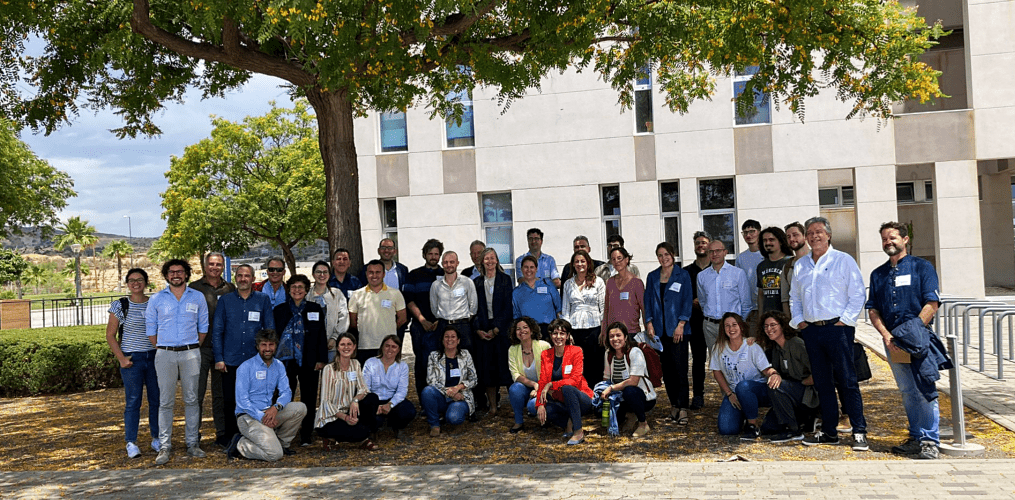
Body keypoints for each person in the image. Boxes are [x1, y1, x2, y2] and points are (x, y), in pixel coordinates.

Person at [867, 221, 948, 459]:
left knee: (924, 388)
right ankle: (916, 436)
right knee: (907, 390)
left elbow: (931, 303)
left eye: (892, 237)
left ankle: (930, 440)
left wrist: (912, 330)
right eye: (884, 239)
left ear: (905, 239)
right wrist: (887, 335)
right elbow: (873, 309)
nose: (888, 242)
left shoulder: (922, 267)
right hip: (892, 341)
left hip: (918, 339)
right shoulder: (878, 274)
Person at [790, 216, 868, 451]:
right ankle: (829, 432)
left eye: (818, 232)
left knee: (847, 381)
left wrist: (845, 321)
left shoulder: (843, 260)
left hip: (838, 330)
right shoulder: (801, 265)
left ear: (828, 235)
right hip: (812, 331)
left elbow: (857, 294)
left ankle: (859, 431)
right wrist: (800, 322)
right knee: (822, 383)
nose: (814, 236)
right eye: (810, 233)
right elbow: (795, 297)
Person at [145, 259, 209, 465]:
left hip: (191, 353)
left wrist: (189, 346)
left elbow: (203, 327)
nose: (176, 275)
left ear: (187, 274)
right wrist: (165, 347)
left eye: (180, 271)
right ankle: (165, 446)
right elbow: (151, 330)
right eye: (171, 272)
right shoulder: (156, 299)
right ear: (166, 276)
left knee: (191, 399)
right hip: (165, 354)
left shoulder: (198, 297)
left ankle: (192, 444)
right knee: (165, 402)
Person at [211, 263, 275, 447]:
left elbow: (269, 330)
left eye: (247, 276)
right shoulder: (225, 300)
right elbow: (217, 330)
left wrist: (267, 357)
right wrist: (219, 358)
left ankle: (257, 435)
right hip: (231, 360)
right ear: (235, 278)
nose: (243, 279)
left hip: (255, 361)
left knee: (256, 399)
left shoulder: (263, 300)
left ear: (253, 279)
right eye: (239, 276)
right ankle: (231, 438)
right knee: (230, 400)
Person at [225, 329, 307, 461]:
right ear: (257, 346)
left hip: (269, 411)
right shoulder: (246, 367)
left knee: (300, 408)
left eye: (271, 345)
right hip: (248, 416)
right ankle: (240, 444)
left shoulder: (279, 366)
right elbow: (242, 401)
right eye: (264, 345)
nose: (267, 349)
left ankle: (281, 443)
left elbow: (286, 392)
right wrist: (262, 417)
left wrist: (276, 408)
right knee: (274, 455)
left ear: (276, 346)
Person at [105, 268, 159, 458]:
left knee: (156, 401)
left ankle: (157, 438)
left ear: (146, 282)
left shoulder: (154, 302)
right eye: (132, 280)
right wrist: (122, 358)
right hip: (132, 359)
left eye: (140, 280)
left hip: (154, 358)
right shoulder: (120, 305)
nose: (136, 283)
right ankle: (131, 441)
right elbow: (110, 335)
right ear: (127, 283)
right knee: (133, 401)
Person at [272, 274, 329, 447]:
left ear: (306, 290)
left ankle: (306, 435)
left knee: (309, 398)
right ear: (288, 289)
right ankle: (283, 431)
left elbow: (321, 335)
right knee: (284, 397)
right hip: (285, 362)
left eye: (300, 287)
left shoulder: (315, 308)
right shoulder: (279, 310)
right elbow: (274, 336)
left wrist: (321, 359)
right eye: (294, 287)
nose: (297, 290)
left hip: (309, 360)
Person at [188, 252, 235, 448]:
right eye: (211, 264)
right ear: (205, 266)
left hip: (223, 350)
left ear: (223, 267)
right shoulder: (194, 288)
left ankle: (222, 434)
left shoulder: (230, 289)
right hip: (200, 348)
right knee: (196, 394)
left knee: (220, 394)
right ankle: (193, 435)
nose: (215, 267)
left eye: (218, 264)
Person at [644, 242, 693, 425]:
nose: (663, 258)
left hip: (678, 330)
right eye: (660, 255)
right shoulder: (652, 276)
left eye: (666, 254)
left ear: (673, 255)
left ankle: (683, 408)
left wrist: (681, 323)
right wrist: (648, 322)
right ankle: (673, 405)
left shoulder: (683, 275)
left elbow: (687, 301)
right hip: (659, 331)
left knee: (680, 369)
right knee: (668, 371)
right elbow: (647, 300)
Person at [710, 313, 781, 439]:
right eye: (727, 326)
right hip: (734, 394)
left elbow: (765, 369)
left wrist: (774, 374)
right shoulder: (718, 347)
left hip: (756, 391)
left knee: (743, 386)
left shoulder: (751, 346)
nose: (731, 329)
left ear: (741, 326)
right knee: (727, 429)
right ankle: (743, 413)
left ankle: (752, 425)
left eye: (734, 325)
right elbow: (717, 372)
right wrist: (729, 394)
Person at [756, 310, 817, 443]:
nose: (769, 329)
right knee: (768, 428)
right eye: (766, 326)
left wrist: (803, 383)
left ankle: (794, 430)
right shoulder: (776, 348)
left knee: (775, 386)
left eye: (773, 325)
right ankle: (803, 420)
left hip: (808, 391)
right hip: (791, 391)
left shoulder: (796, 344)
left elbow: (818, 372)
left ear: (782, 326)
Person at [315, 332, 381, 451]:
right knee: (358, 432)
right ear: (337, 347)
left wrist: (355, 400)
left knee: (372, 398)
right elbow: (325, 402)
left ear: (354, 346)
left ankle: (362, 436)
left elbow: (363, 389)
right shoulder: (328, 369)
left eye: (349, 344)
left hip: (349, 411)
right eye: (342, 344)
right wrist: (345, 418)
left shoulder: (355, 364)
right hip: (332, 416)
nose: (346, 347)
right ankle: (331, 437)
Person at [535, 319, 594, 445]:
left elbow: (575, 380)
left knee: (567, 387)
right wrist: (540, 404)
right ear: (550, 335)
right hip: (560, 399)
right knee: (534, 407)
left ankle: (578, 432)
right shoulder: (546, 354)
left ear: (567, 336)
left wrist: (552, 385)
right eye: (555, 333)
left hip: (580, 397)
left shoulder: (576, 351)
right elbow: (543, 380)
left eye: (562, 333)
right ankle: (569, 421)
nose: (558, 337)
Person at [472, 247, 514, 415]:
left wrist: (497, 328)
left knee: (506, 368)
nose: (489, 261)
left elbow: (507, 308)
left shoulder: (505, 280)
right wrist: (479, 330)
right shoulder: (476, 283)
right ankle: (493, 406)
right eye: (486, 258)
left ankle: (513, 405)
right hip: (483, 330)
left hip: (502, 330)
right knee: (487, 369)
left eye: (492, 258)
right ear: (481, 262)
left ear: (497, 260)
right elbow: (473, 309)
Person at [600, 322, 657, 437]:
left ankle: (643, 424)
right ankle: (629, 416)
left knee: (629, 391)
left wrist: (611, 388)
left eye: (618, 335)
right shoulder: (608, 353)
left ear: (625, 337)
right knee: (599, 409)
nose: (615, 339)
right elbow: (606, 377)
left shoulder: (635, 352)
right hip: (619, 397)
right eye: (611, 336)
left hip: (642, 397)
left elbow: (633, 381)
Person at [405, 239, 445, 399]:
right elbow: (409, 300)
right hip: (419, 326)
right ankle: (424, 400)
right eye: (431, 253)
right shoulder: (413, 275)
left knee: (441, 361)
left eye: (437, 254)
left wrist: (439, 320)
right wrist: (422, 320)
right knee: (422, 363)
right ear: (424, 254)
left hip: (440, 325)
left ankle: (440, 397)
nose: (434, 257)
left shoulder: (445, 274)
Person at [560, 249, 605, 388]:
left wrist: (603, 331)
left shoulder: (598, 281)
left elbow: (603, 307)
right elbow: (565, 310)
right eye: (577, 261)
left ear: (588, 263)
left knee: (595, 365)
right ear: (573, 264)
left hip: (595, 328)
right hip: (575, 330)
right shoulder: (568, 284)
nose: (580, 264)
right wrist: (567, 333)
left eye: (582, 261)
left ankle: (596, 397)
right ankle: (582, 398)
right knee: (578, 366)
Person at [422, 327, 478, 437]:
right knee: (427, 391)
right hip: (442, 395)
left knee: (453, 418)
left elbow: (474, 379)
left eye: (453, 337)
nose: (449, 339)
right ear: (442, 340)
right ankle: (434, 425)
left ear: (458, 340)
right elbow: (431, 380)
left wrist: (458, 388)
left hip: (461, 396)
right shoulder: (434, 356)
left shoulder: (465, 355)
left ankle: (457, 416)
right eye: (446, 337)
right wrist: (450, 392)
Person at [348, 259, 407, 363]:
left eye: (378, 272)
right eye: (371, 272)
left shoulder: (395, 293)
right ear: (366, 274)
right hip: (364, 346)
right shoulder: (357, 295)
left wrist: (388, 328)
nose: (374, 275)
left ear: (384, 274)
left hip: (388, 346)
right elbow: (353, 322)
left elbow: (402, 319)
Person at [697, 239, 751, 349]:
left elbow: (746, 303)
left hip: (732, 326)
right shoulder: (702, 276)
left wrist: (739, 324)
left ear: (725, 252)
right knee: (715, 361)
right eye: (711, 251)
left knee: (734, 359)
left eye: (718, 250)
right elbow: (702, 301)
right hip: (710, 326)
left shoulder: (738, 273)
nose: (714, 254)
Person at [362, 335, 417, 438]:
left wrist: (390, 404)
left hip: (392, 400)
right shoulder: (370, 363)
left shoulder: (402, 366)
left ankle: (396, 426)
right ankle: (373, 429)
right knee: (370, 414)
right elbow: (365, 387)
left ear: (399, 349)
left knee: (408, 411)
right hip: (374, 399)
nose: (390, 349)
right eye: (387, 346)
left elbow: (402, 390)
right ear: (382, 347)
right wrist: (374, 406)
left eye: (394, 346)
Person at [506, 317, 551, 433]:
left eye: (525, 327)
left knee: (532, 406)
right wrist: (533, 384)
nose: (522, 331)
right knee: (514, 389)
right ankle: (518, 421)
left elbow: (549, 373)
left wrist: (539, 388)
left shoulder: (544, 346)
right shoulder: (512, 349)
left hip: (544, 386)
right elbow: (515, 374)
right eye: (518, 329)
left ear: (531, 330)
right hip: (526, 386)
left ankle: (544, 419)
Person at [684, 231, 712, 410]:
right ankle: (698, 395)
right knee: (698, 359)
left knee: (721, 357)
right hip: (695, 321)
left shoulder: (716, 268)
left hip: (715, 320)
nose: (700, 245)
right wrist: (691, 302)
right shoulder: (687, 272)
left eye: (703, 242)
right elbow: (681, 297)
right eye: (697, 243)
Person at [430, 250, 478, 351]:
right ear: (442, 264)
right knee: (443, 357)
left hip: (463, 326)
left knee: (466, 357)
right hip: (443, 326)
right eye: (446, 262)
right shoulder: (436, 285)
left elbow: (473, 306)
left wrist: (464, 318)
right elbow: (434, 308)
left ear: (457, 263)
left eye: (452, 262)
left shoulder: (467, 282)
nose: (449, 265)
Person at [308, 260, 350, 362]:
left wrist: (334, 338)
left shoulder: (337, 294)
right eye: (318, 272)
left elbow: (344, 317)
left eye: (325, 272)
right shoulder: (307, 295)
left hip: (332, 346)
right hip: (311, 346)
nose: (322, 275)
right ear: (313, 274)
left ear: (329, 275)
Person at [601, 247, 645, 342]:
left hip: (631, 332)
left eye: (619, 258)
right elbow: (606, 309)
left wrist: (648, 330)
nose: (616, 261)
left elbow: (644, 309)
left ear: (626, 259)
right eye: (613, 259)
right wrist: (604, 331)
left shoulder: (636, 282)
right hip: (613, 334)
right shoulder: (610, 282)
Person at [512, 255, 562, 335]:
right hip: (529, 333)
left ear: (536, 269)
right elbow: (516, 316)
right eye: (526, 267)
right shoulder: (516, 292)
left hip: (549, 330)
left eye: (532, 267)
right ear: (521, 269)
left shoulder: (548, 285)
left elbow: (559, 309)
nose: (529, 270)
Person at [756, 227, 792, 314]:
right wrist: (760, 317)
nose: (768, 243)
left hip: (787, 315)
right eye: (765, 240)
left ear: (780, 241)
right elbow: (761, 295)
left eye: (771, 240)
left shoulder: (790, 262)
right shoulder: (761, 266)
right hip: (768, 317)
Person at [736, 219, 763, 329]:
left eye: (752, 231)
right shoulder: (741, 258)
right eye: (745, 232)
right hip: (750, 310)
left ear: (759, 232)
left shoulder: (767, 254)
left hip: (767, 306)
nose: (748, 235)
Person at [781, 222, 809, 317]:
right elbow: (785, 299)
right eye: (788, 237)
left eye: (795, 235)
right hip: (799, 323)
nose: (791, 239)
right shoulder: (787, 266)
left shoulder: (819, 260)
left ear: (805, 236)